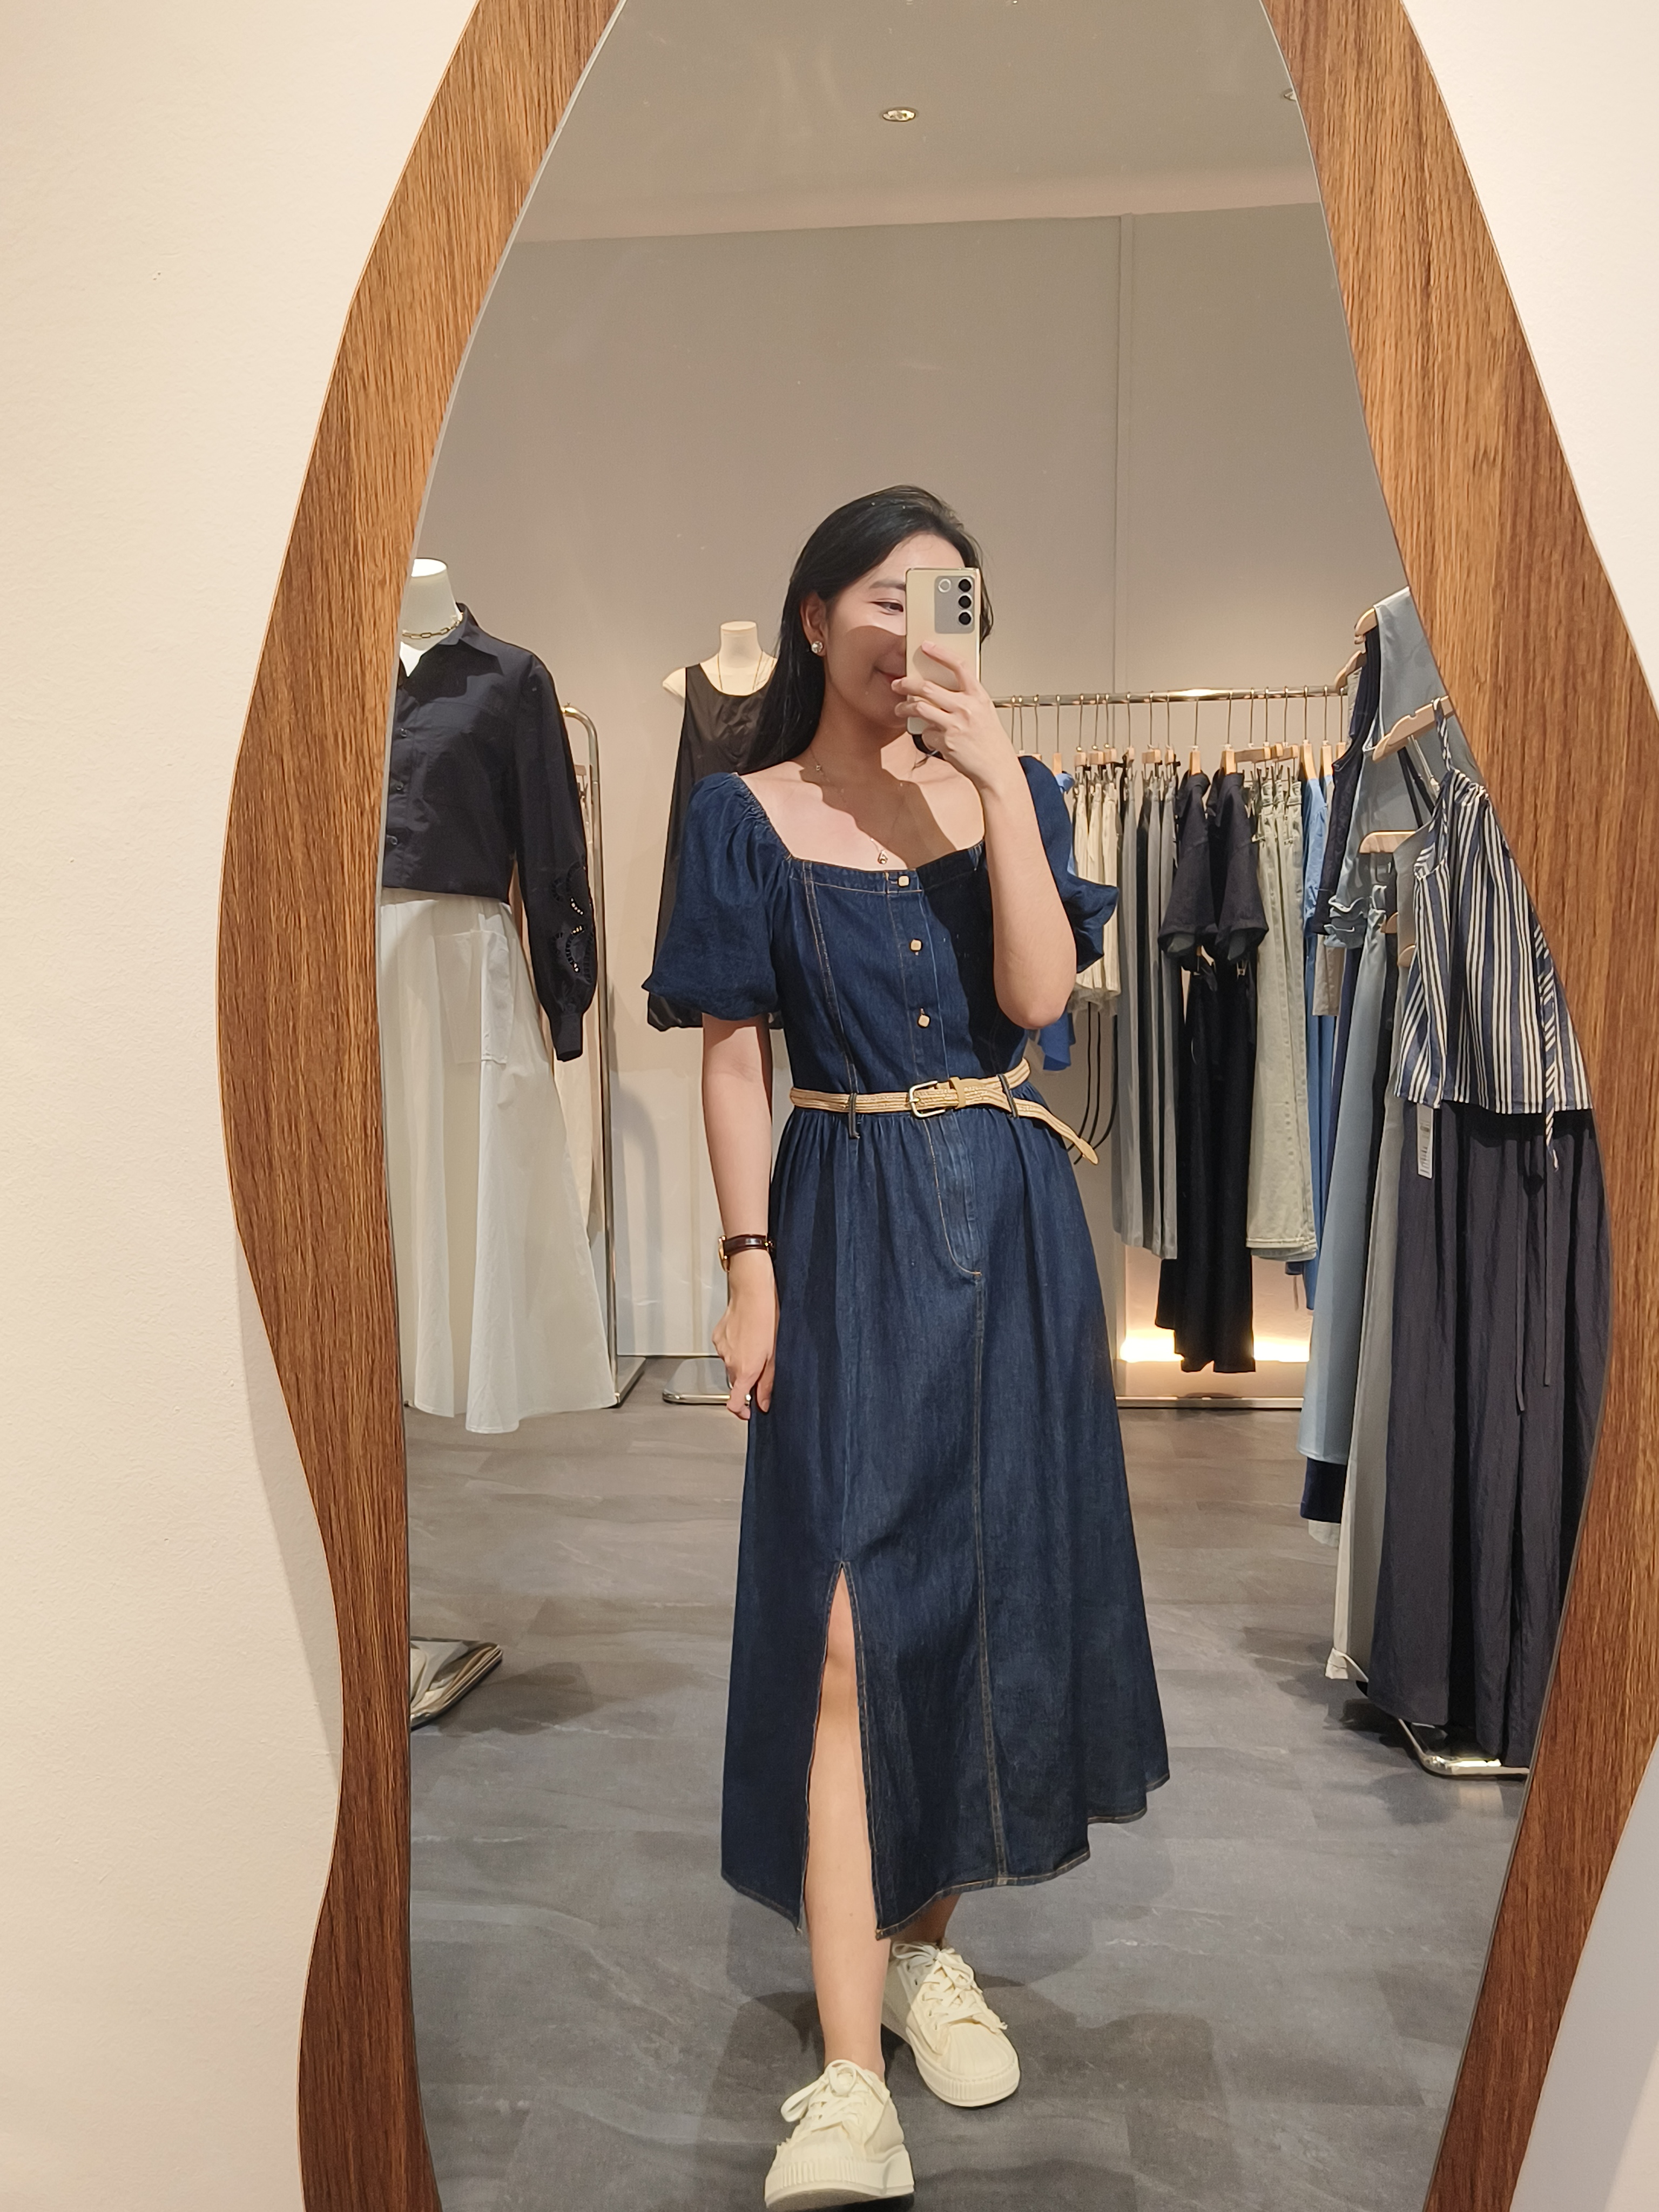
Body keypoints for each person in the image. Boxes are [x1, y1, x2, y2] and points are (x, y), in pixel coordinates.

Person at [645, 487, 1167, 2208]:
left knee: (979, 1594)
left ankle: (925, 1946)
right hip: (844, 1215)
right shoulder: (741, 816)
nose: (912, 631)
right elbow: (734, 1053)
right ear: (813, 619)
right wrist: (747, 1269)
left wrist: (1000, 774)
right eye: (882, 596)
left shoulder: (1021, 791)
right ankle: (852, 2080)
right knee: (844, 1632)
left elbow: (1037, 1000)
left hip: (1009, 1224)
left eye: (946, 601)